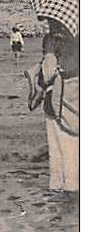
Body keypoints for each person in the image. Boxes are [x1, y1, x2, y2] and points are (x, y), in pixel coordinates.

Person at [39, 19, 79, 199]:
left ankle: (59, 183)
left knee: (56, 143)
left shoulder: (52, 40)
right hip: (77, 95)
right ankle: (75, 183)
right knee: (75, 140)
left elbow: (48, 74)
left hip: (56, 99)